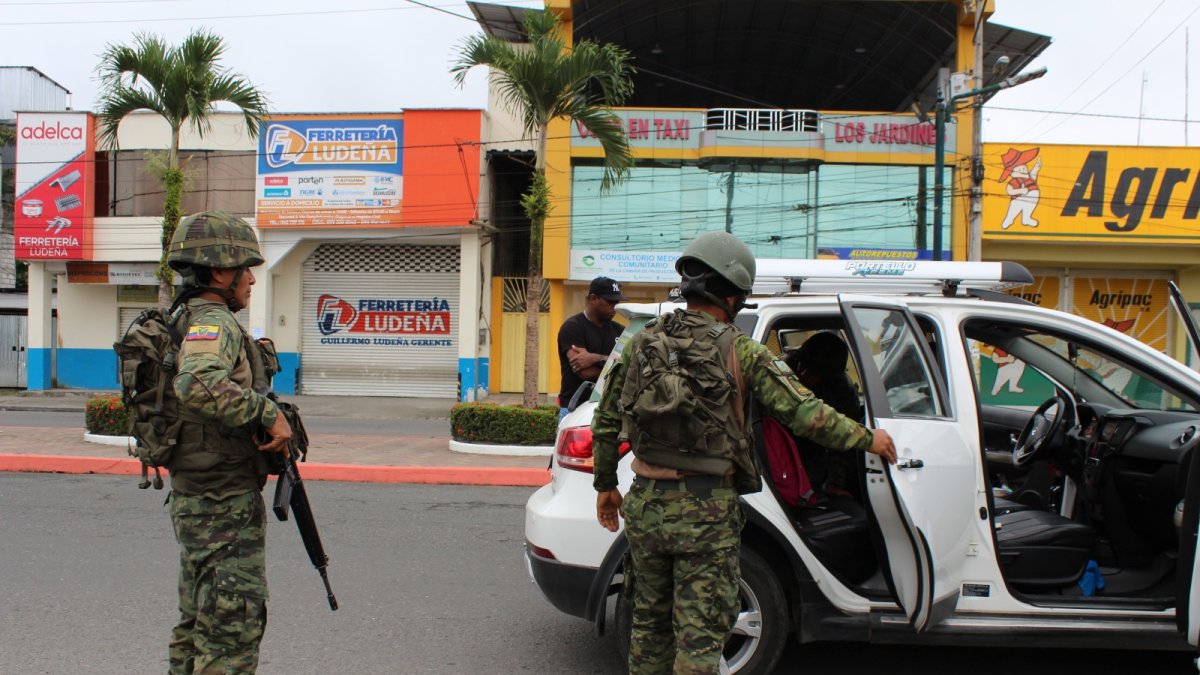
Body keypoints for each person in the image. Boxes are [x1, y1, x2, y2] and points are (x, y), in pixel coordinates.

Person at [591, 231, 896, 674]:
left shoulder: (641, 344)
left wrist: (605, 487)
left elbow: (604, 420)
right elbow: (805, 414)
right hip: (707, 514)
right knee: (699, 640)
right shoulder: (743, 350)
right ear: (733, 295)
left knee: (649, 632)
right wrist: (869, 439)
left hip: (646, 506)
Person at [165, 211, 292, 674]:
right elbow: (196, 384)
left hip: (199, 496)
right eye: (245, 267)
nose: (252, 279)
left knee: (199, 622)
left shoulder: (184, 318)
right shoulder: (213, 323)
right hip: (222, 504)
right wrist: (268, 413)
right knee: (231, 631)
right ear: (219, 271)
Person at [785, 332, 864, 499]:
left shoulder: (842, 392)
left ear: (826, 376)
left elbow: (847, 438)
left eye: (811, 371)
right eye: (801, 365)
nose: (802, 373)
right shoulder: (780, 373)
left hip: (815, 454)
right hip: (780, 451)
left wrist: (834, 482)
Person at [556, 276, 626, 410]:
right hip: (575, 407)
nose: (615, 307)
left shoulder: (620, 330)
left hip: (608, 409)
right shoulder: (572, 327)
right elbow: (585, 372)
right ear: (593, 299)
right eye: (610, 302)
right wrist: (617, 366)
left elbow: (628, 365)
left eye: (617, 302)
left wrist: (595, 358)